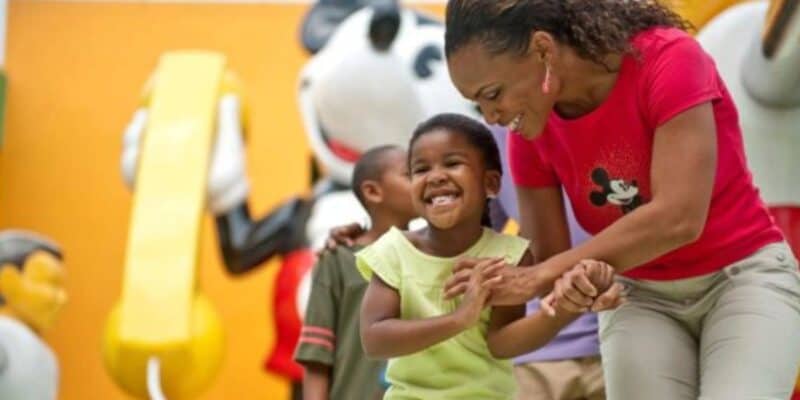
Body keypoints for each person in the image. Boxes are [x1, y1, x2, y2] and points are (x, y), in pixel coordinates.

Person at [442, 1, 800, 399]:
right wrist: (498, 278)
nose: (491, 116)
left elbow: (679, 219)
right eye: (480, 103)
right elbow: (547, 267)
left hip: (740, 277)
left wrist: (538, 277)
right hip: (639, 294)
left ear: (543, 49)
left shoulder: (668, 57)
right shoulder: (529, 132)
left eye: (494, 94)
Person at [356, 113, 622, 399]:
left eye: (453, 163)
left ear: (492, 184)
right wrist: (459, 319)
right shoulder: (395, 250)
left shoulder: (509, 255)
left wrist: (566, 310)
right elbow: (375, 339)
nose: (435, 176)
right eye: (420, 170)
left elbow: (502, 343)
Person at [294, 145, 417, 400]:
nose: (423, 181)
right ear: (372, 191)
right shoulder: (337, 260)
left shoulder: (439, 254)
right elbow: (317, 355)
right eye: (410, 174)